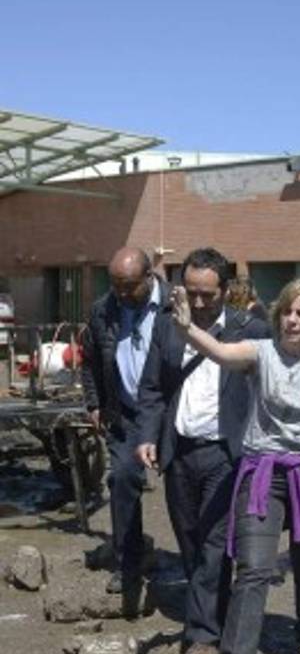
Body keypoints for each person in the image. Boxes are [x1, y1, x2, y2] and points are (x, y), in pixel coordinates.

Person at [170, 278, 300, 654]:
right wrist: (187, 329)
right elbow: (222, 353)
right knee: (254, 569)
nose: (292, 319)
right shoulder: (261, 352)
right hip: (264, 472)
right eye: (287, 311)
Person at [134, 249, 270, 654]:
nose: (197, 303)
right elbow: (152, 390)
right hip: (179, 452)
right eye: (190, 293)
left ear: (226, 291)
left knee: (214, 542)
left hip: (226, 454)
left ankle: (203, 635)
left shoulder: (251, 330)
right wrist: (147, 436)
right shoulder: (165, 328)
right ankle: (217, 612)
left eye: (207, 295)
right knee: (190, 540)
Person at [80, 246, 168, 616]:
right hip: (126, 414)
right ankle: (128, 564)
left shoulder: (176, 307)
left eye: (129, 286)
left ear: (149, 277)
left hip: (172, 413)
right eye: (115, 285)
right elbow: (89, 359)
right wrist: (95, 403)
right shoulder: (105, 309)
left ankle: (202, 570)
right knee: (122, 481)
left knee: (185, 492)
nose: (122, 294)